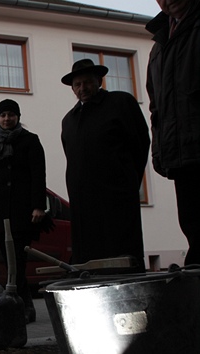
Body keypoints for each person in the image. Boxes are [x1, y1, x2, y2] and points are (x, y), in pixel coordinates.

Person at [60, 59, 150, 271]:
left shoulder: (120, 103)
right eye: (78, 85)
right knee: (90, 261)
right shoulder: (69, 120)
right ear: (73, 88)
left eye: (88, 82)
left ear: (99, 81)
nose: (83, 88)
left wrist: (126, 179)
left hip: (116, 197)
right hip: (83, 203)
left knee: (121, 255)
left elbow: (139, 144)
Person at [0, 99, 47, 324]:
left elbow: (38, 174)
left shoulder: (30, 141)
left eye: (11, 115)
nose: (7, 119)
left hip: (20, 211)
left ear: (18, 117)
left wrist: (38, 205)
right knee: (8, 261)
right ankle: (19, 304)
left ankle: (23, 305)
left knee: (18, 261)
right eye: (3, 115)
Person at [146, 0, 200, 266]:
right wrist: (159, 152)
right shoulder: (158, 47)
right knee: (192, 226)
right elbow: (157, 109)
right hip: (182, 156)